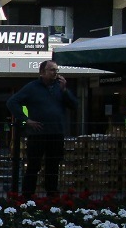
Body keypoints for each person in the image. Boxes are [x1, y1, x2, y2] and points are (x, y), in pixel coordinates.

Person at [6, 60, 78, 199]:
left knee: (53, 165)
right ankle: (27, 195)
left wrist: (64, 91)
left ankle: (52, 194)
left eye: (56, 70)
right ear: (42, 72)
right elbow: (12, 102)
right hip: (38, 133)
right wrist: (26, 120)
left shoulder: (60, 87)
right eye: (52, 70)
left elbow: (74, 105)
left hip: (56, 132)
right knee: (34, 165)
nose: (55, 73)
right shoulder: (32, 87)